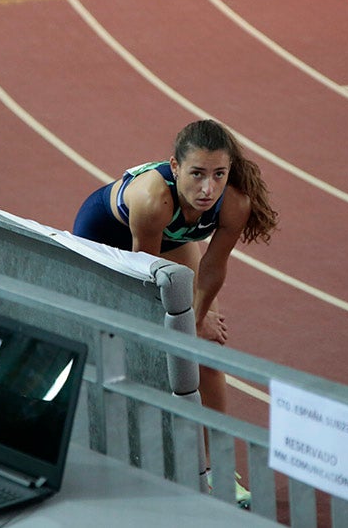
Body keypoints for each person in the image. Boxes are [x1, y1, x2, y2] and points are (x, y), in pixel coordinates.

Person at [73, 119, 278, 503]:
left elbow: (213, 268)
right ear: (175, 166)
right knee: (132, 349)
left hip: (166, 242)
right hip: (111, 244)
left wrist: (197, 323)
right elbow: (144, 281)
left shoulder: (235, 202)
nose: (208, 188)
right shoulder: (154, 199)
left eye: (219, 175)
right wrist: (182, 326)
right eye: (197, 174)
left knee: (207, 353)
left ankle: (217, 467)